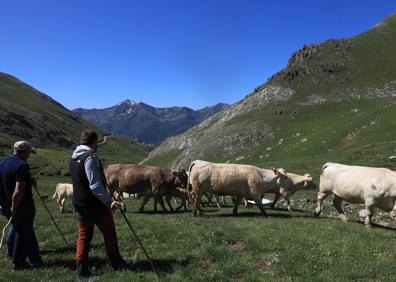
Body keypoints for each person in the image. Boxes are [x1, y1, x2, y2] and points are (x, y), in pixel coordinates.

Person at [69, 130, 133, 278]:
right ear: (94, 142)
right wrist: (108, 201)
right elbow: (95, 185)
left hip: (80, 202)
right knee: (109, 231)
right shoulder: (89, 158)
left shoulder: (74, 157)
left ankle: (81, 270)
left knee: (84, 234)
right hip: (94, 204)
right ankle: (116, 262)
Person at [0, 141, 44, 270]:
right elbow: (18, 190)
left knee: (24, 229)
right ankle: (18, 262)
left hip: (5, 205)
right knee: (22, 232)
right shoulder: (22, 165)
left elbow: (8, 181)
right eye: (29, 152)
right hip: (21, 206)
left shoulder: (2, 163)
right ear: (24, 151)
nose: (29, 154)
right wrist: (15, 207)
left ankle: (35, 258)